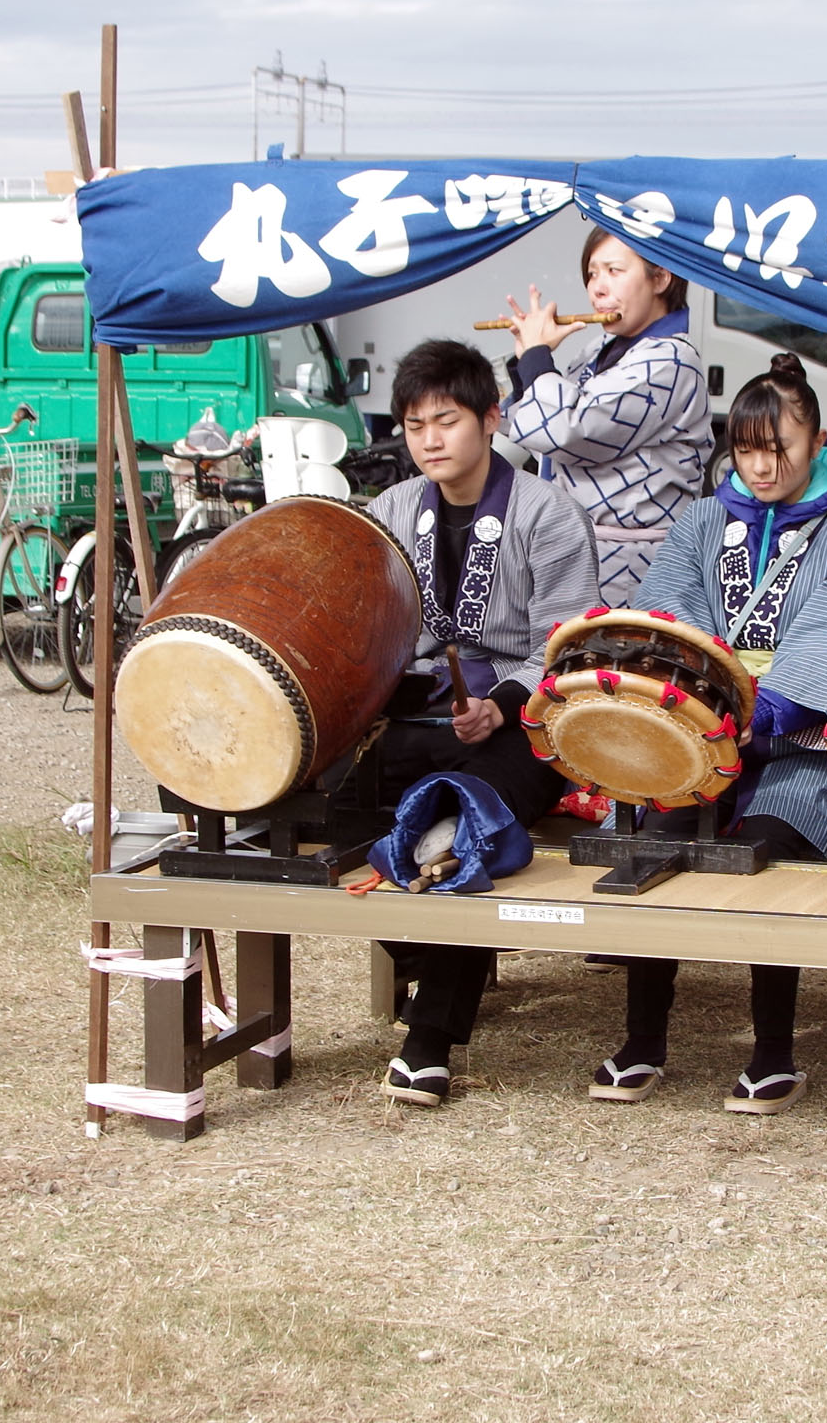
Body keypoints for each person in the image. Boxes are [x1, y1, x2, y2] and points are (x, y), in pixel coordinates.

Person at [587, 353, 827, 1114]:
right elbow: (669, 611)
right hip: (699, 733)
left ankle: (773, 1053)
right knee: (652, 841)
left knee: (758, 854)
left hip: (794, 750)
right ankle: (643, 1040)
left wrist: (759, 714)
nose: (762, 466)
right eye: (748, 449)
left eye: (779, 448)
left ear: (818, 440)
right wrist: (697, 711)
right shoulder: (703, 521)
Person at [363, 338, 603, 1108]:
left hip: (527, 720)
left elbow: (567, 647)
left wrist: (500, 703)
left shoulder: (548, 514)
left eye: (447, 419)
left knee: (456, 823)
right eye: (414, 425)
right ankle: (431, 955)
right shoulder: (392, 513)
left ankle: (427, 1041)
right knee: (335, 806)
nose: (430, 439)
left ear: (493, 418)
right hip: (421, 711)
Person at [502, 229, 713, 606]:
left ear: (660, 277)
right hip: (578, 550)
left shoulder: (672, 360)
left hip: (635, 563)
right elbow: (535, 430)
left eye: (614, 271)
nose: (598, 288)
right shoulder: (596, 350)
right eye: (592, 274)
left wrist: (537, 357)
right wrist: (526, 362)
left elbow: (568, 430)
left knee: (615, 662)